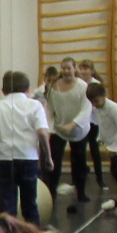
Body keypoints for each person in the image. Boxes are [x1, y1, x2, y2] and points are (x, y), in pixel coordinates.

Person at [0, 71, 53, 224]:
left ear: (3, 90)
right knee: (30, 204)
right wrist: (48, 157)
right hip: (28, 158)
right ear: (28, 89)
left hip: (4, 159)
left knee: (6, 206)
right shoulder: (35, 105)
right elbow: (42, 133)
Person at [44, 66, 94, 211]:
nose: (66, 71)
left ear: (74, 69)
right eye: (64, 68)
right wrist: (49, 127)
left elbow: (86, 109)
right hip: (59, 128)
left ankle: (81, 192)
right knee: (54, 160)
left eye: (69, 68)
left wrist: (72, 125)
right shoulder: (54, 87)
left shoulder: (83, 86)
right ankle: (51, 192)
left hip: (78, 129)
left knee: (79, 161)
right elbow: (49, 108)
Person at [87, 83, 117, 212]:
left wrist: (114, 147)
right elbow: (102, 125)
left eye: (96, 101)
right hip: (114, 142)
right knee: (115, 170)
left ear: (103, 95)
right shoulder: (97, 109)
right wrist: (101, 140)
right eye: (92, 102)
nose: (94, 104)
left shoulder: (113, 108)